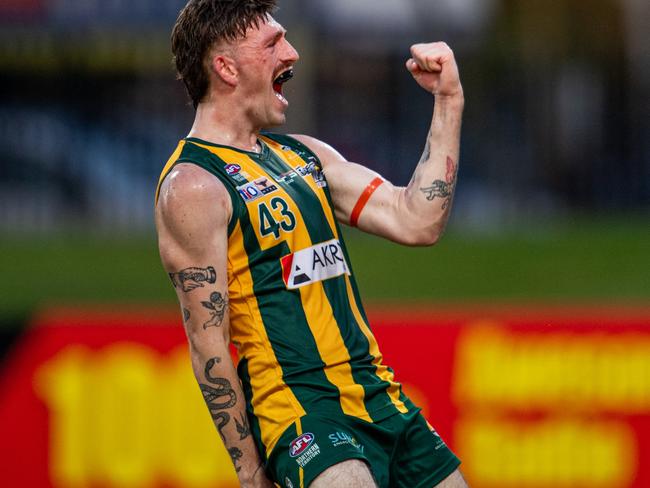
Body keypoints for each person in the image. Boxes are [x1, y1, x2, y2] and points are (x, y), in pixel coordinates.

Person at [155, 1, 466, 487]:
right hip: (299, 412)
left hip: (381, 397)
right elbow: (208, 346)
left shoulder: (307, 155)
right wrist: (248, 470)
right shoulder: (194, 186)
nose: (293, 52)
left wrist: (448, 103)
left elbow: (417, 220)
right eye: (274, 42)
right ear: (226, 67)